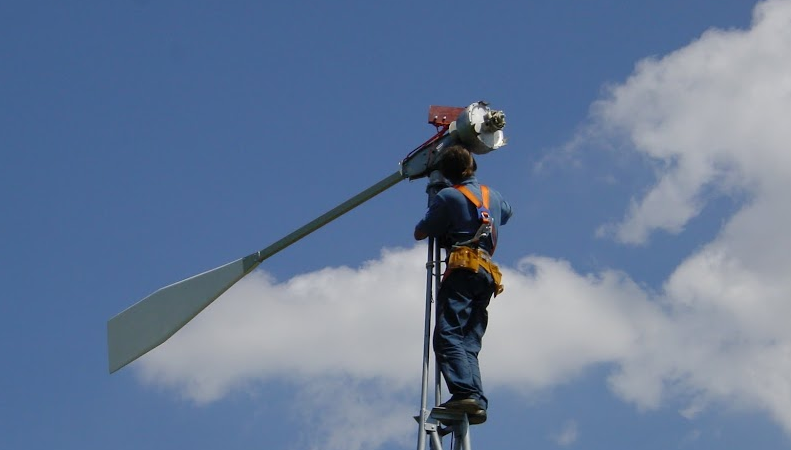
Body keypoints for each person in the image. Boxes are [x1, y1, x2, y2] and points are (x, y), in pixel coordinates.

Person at [414, 144, 512, 425]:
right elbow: (506, 213)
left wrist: (439, 200)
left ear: (446, 173)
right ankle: (475, 399)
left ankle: (465, 392)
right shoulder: (492, 195)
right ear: (473, 167)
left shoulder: (448, 196)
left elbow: (421, 231)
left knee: (448, 335)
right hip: (486, 275)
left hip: (463, 269)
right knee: (468, 340)